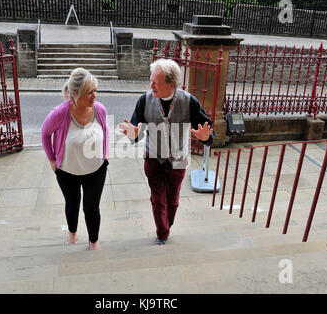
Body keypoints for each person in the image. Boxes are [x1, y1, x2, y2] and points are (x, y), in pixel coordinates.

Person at [120, 58, 214, 245]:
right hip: (153, 158)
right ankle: (162, 234)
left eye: (156, 82)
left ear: (171, 84)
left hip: (178, 160)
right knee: (157, 200)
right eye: (151, 79)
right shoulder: (144, 100)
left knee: (173, 201)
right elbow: (135, 133)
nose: (151, 85)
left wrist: (205, 138)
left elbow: (208, 132)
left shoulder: (189, 102)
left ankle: (166, 225)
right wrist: (133, 135)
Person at [41, 68, 110, 251]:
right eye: (89, 92)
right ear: (74, 93)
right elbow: (45, 134)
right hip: (67, 172)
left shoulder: (100, 109)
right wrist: (52, 160)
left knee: (91, 207)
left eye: (95, 90)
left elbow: (106, 130)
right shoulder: (60, 113)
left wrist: (106, 154)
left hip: (96, 170)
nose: (94, 96)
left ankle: (93, 241)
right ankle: (72, 232)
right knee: (72, 204)